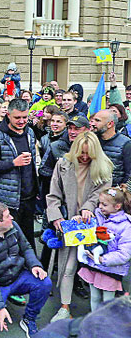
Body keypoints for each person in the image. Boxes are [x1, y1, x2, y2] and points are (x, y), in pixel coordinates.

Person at [46, 131, 113, 322]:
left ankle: (100, 311)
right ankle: (65, 307)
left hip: (94, 225)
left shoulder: (104, 167)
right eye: (81, 153)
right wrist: (56, 217)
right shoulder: (63, 164)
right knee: (68, 267)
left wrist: (88, 208)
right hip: (70, 225)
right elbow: (53, 195)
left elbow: (103, 194)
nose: (84, 157)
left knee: (99, 269)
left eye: (88, 155)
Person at [0, 202, 52, 337]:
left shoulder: (12, 226)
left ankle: (29, 318)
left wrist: (35, 265)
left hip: (17, 275)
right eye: (8, 216)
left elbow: (26, 247)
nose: (12, 218)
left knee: (45, 283)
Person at [0, 98, 39, 250]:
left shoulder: (30, 132)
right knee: (10, 241)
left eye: (25, 117)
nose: (22, 121)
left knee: (28, 238)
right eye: (17, 118)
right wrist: (13, 163)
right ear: (8, 115)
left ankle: (32, 268)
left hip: (29, 196)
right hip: (8, 199)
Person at [77, 186, 131, 311]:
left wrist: (103, 259)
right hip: (94, 266)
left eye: (104, 204)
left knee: (108, 301)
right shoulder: (97, 216)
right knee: (94, 297)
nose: (100, 207)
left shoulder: (126, 226)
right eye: (99, 203)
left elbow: (124, 253)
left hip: (111, 269)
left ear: (117, 206)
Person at [90, 109, 131, 186]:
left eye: (97, 120)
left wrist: (121, 191)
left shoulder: (126, 143)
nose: (93, 124)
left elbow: (129, 174)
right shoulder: (91, 140)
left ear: (110, 124)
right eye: (93, 120)